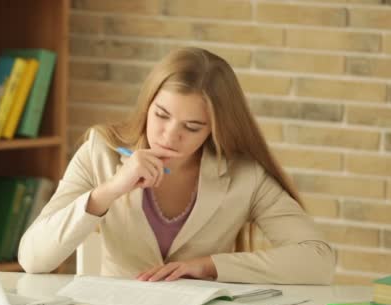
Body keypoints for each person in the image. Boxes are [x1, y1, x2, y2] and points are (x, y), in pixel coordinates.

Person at [18, 47, 335, 284]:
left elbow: (319, 260)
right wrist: (110, 190)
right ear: (147, 105)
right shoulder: (100, 151)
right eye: (161, 115)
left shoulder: (244, 174)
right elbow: (33, 259)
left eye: (193, 127)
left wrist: (208, 265)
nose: (170, 136)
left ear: (215, 128)